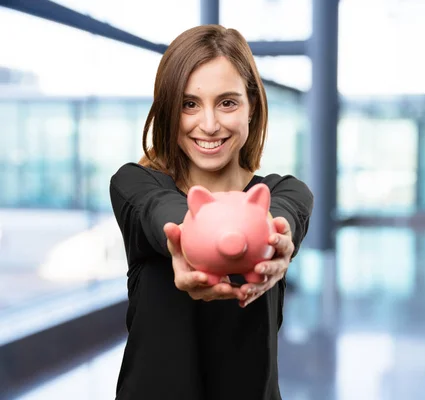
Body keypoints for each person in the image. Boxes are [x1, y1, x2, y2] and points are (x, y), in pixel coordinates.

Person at [109, 25, 313, 399]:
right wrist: (188, 237)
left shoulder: (282, 193)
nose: (208, 124)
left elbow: (286, 215)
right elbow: (160, 211)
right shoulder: (135, 185)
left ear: (251, 106)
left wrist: (272, 236)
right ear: (170, 110)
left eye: (227, 102)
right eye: (189, 104)